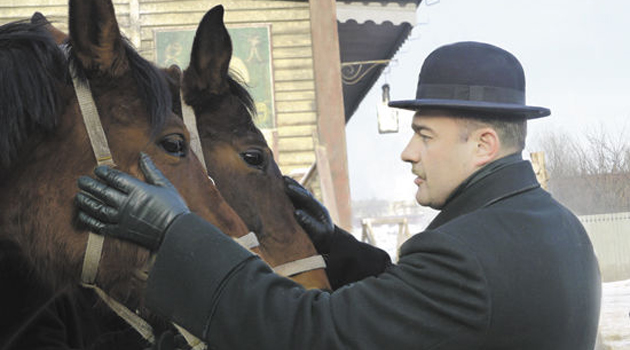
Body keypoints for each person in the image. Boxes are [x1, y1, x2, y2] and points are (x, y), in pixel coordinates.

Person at [75, 41, 601, 349]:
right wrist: (334, 243)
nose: (408, 153)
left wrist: (175, 233)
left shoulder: (465, 257)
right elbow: (419, 318)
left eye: (426, 135)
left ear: (484, 144)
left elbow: (313, 334)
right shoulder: (553, 226)